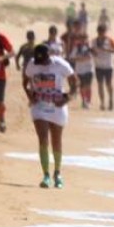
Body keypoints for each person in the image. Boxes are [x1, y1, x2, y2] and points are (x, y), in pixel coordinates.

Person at [22, 43, 77, 189]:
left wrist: (67, 98)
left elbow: (75, 82)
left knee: (56, 140)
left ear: (49, 56)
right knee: (43, 139)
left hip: (57, 106)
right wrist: (30, 96)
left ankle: (57, 173)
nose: (41, 64)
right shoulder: (32, 65)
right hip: (39, 106)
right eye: (38, 61)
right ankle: (46, 175)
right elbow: (25, 82)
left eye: (43, 61)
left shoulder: (60, 64)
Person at [91, 24, 114, 111]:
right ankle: (102, 103)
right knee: (100, 85)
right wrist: (94, 53)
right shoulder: (94, 41)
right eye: (100, 32)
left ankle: (111, 99)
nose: (101, 34)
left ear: (105, 32)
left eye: (103, 32)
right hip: (98, 66)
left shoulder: (109, 40)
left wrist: (107, 50)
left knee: (108, 84)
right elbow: (91, 50)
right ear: (98, 32)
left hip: (108, 66)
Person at [67, 29, 95, 109]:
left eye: (85, 38)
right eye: (81, 38)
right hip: (79, 70)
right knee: (82, 86)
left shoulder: (90, 47)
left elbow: (91, 56)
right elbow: (71, 57)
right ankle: (84, 101)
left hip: (89, 69)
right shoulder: (77, 47)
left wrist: (81, 58)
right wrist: (81, 59)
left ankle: (88, 101)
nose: (83, 40)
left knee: (88, 86)